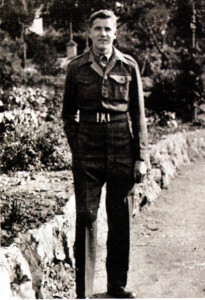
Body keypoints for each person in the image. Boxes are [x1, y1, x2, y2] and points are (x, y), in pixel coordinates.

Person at [62, 9, 148, 299]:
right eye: (97, 28)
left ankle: (116, 286)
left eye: (107, 29)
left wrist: (142, 157)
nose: (102, 34)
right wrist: (78, 144)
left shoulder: (128, 65)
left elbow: (138, 116)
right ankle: (83, 291)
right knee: (86, 217)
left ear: (115, 33)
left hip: (122, 144)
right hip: (88, 147)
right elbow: (67, 115)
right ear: (89, 33)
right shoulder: (76, 68)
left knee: (120, 217)